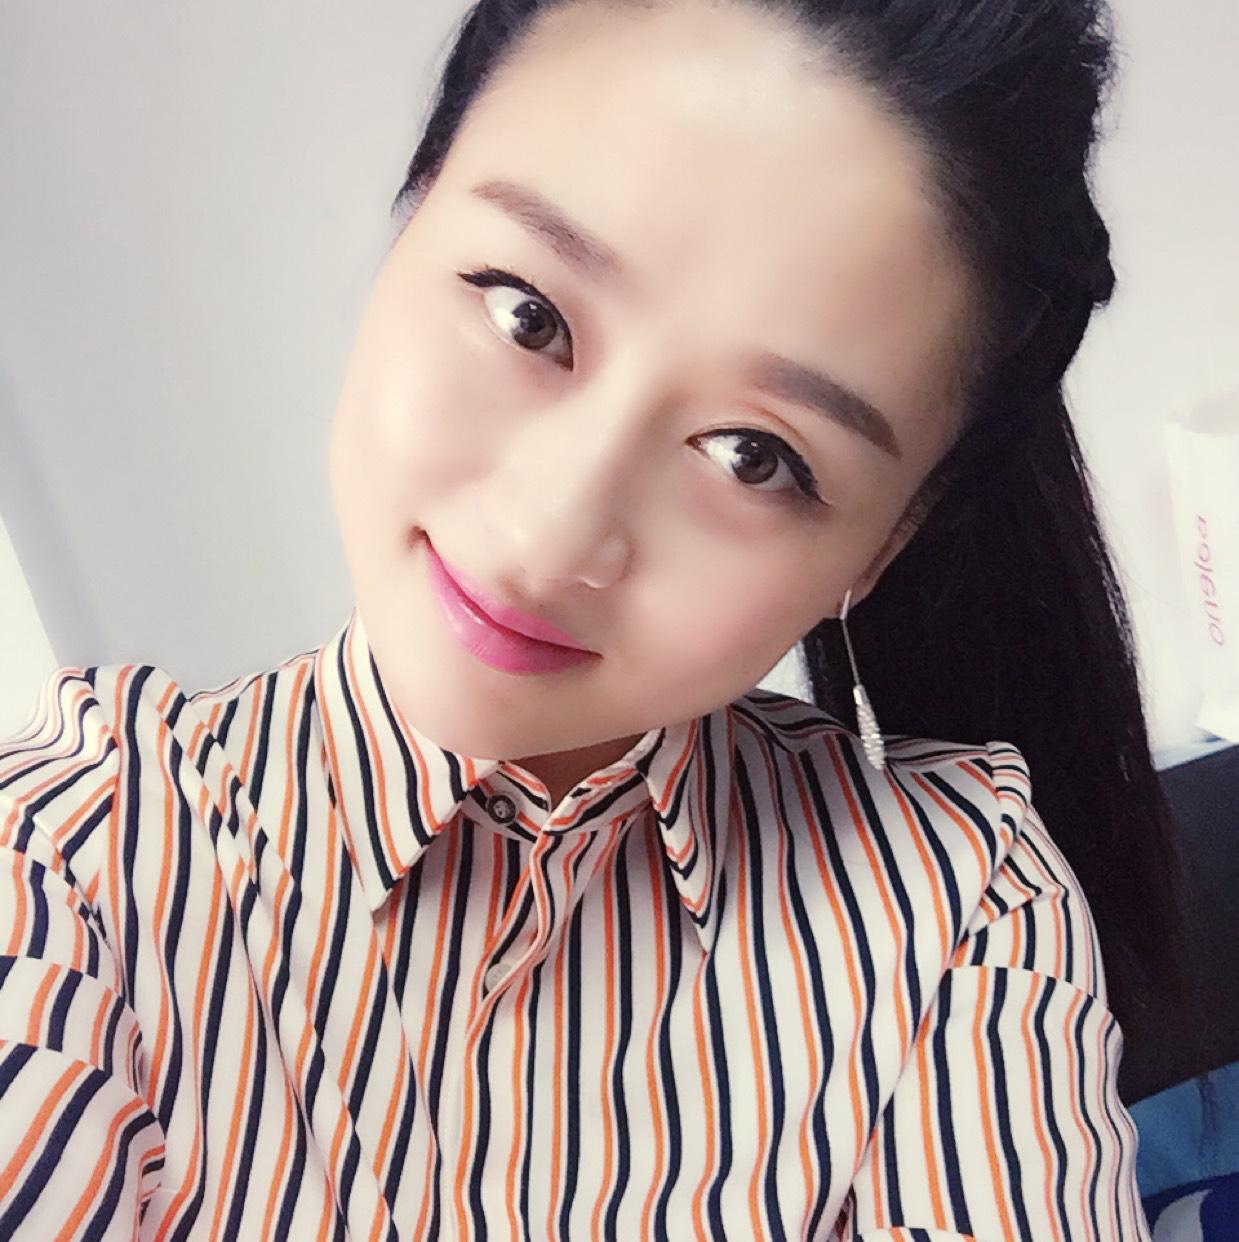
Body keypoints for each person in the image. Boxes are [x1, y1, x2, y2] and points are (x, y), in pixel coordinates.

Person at [0, 0, 1187, 1236]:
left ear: (883, 544)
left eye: (754, 455)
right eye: (529, 313)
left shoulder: (954, 913)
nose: (553, 535)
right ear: (415, 207)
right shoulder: (67, 867)